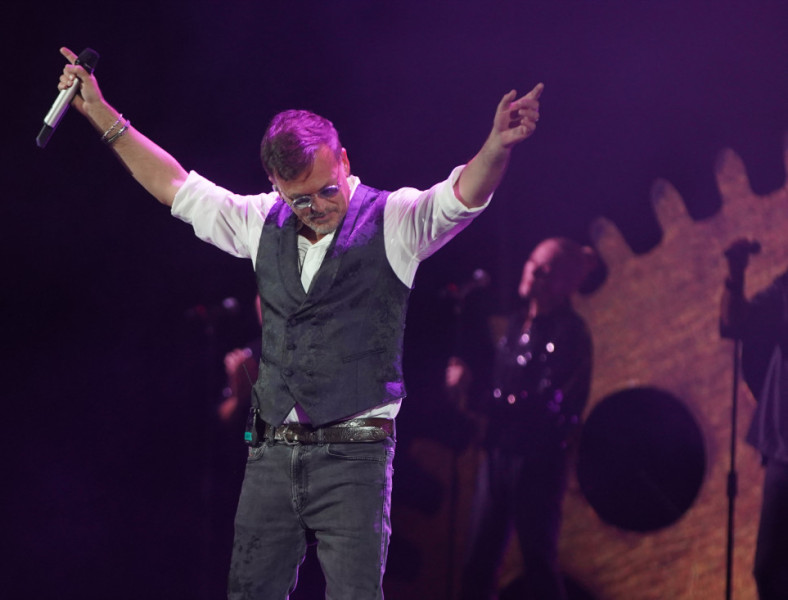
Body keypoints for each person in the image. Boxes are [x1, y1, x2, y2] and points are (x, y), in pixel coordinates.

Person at [53, 45, 542, 599]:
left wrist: (496, 147)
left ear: (344, 162)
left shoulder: (393, 219)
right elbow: (175, 186)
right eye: (299, 198)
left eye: (327, 189)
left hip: (355, 458)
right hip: (271, 455)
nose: (318, 206)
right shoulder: (261, 220)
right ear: (275, 184)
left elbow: (459, 197)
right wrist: (102, 114)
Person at [452, 238, 596, 600]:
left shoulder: (570, 332)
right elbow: (504, 384)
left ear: (565, 282)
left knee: (538, 562)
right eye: (533, 262)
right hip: (498, 454)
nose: (533, 271)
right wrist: (467, 382)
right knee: (477, 562)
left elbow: (544, 401)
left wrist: (480, 401)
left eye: (546, 269)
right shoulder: (517, 323)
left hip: (537, 461)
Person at [720, 237, 788, 600]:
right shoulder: (785, 289)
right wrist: (735, 272)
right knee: (770, 571)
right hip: (785, 451)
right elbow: (735, 323)